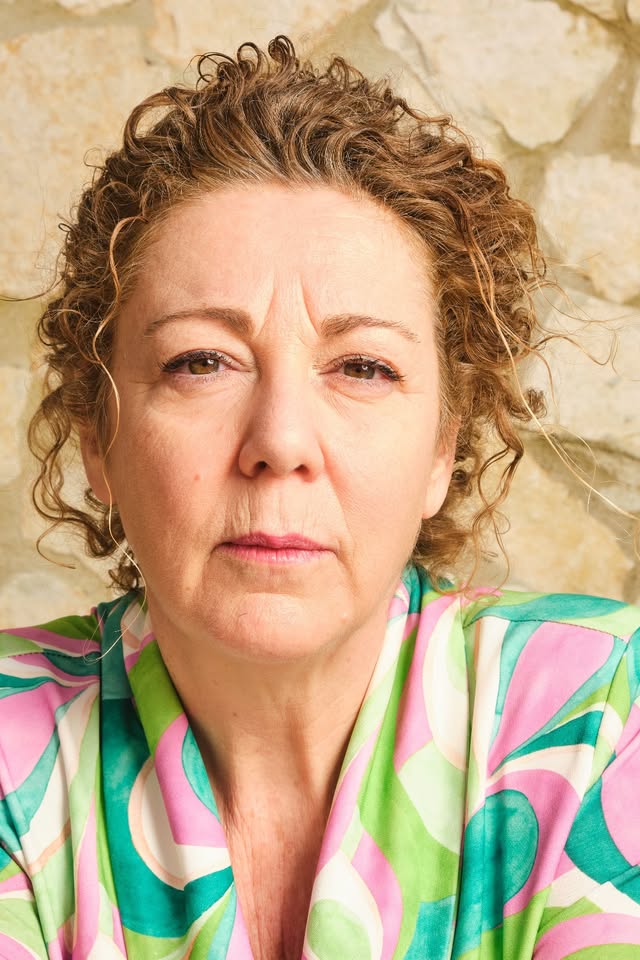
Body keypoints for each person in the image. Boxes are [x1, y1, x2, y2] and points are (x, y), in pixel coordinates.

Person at [0, 35, 638, 960]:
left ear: (442, 449)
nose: (282, 442)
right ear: (97, 436)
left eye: (363, 367)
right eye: (201, 361)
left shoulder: (605, 720)